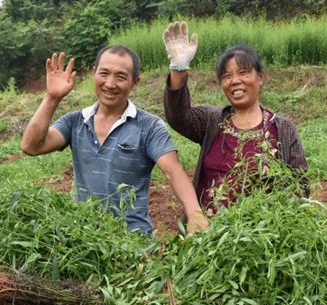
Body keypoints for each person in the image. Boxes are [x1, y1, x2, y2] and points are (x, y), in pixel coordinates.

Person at [21, 45, 208, 236]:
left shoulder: (149, 126)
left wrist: (195, 214)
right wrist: (52, 97)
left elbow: (172, 170)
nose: (110, 84)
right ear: (94, 74)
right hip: (81, 240)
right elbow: (30, 146)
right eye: (104, 73)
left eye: (121, 77)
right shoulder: (75, 121)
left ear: (135, 82)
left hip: (132, 242)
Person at [162, 22, 309, 214]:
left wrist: (275, 222)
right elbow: (179, 117)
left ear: (260, 77)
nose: (235, 81)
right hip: (207, 231)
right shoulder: (212, 120)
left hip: (259, 236)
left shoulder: (282, 128)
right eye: (227, 76)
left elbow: (300, 185)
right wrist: (178, 69)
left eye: (243, 73)